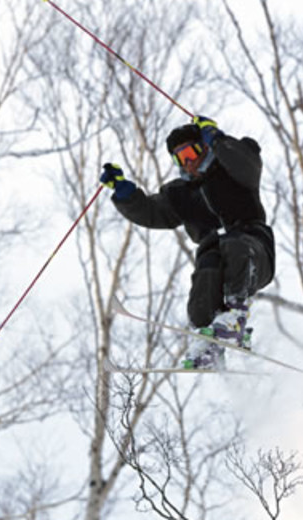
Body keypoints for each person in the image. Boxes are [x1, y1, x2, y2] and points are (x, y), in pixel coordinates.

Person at [99, 116, 275, 370]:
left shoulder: (233, 170)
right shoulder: (180, 193)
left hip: (255, 253)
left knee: (231, 243)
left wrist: (217, 139)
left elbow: (246, 162)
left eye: (191, 152)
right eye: (180, 158)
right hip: (218, 260)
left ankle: (235, 315)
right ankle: (207, 340)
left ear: (203, 147)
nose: (188, 161)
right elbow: (151, 211)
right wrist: (124, 192)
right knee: (207, 263)